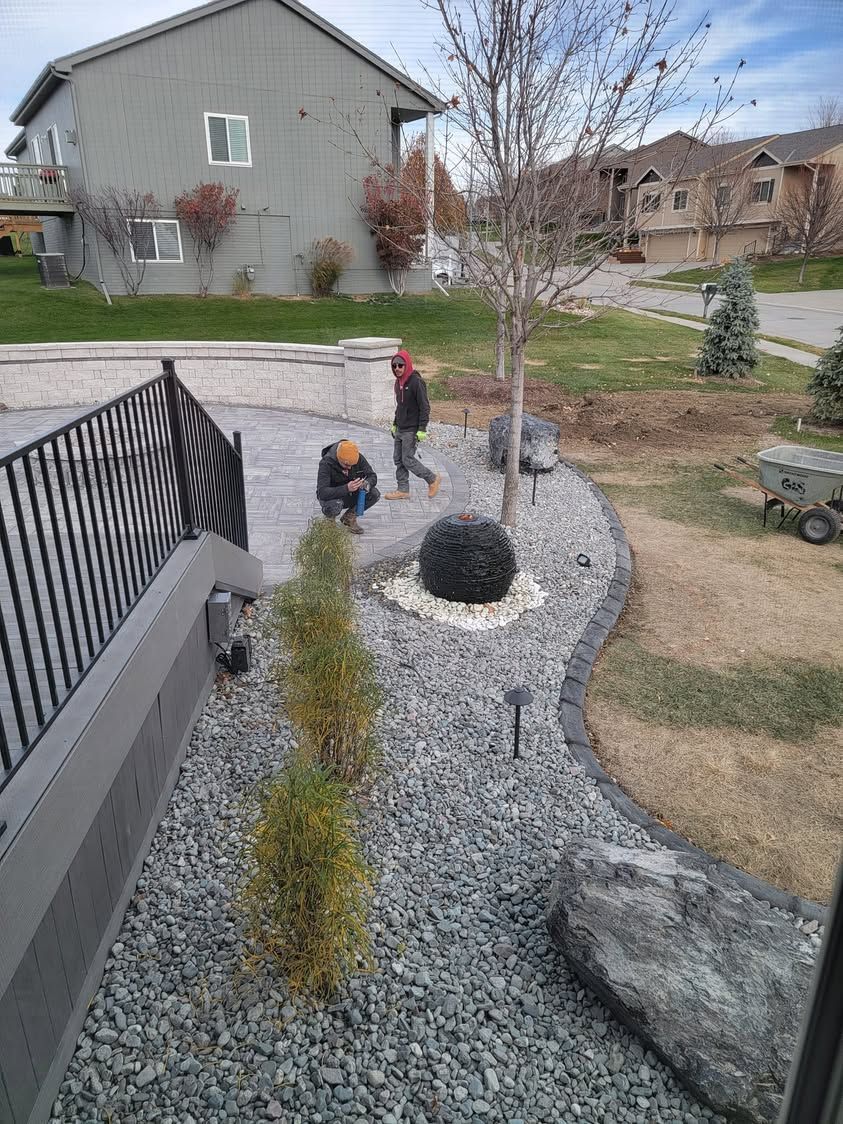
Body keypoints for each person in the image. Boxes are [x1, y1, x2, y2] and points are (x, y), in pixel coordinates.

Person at [385, 349, 441, 501]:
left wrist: (422, 429)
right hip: (400, 428)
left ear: (407, 364)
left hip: (411, 429)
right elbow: (400, 406)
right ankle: (403, 490)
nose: (397, 368)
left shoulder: (416, 382)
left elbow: (425, 407)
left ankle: (432, 479)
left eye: (400, 365)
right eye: (394, 366)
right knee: (398, 459)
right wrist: (395, 424)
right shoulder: (398, 383)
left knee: (407, 459)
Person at [316, 439, 379, 535]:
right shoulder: (326, 463)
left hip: (351, 493)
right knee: (335, 505)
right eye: (346, 465)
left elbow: (372, 476)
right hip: (333, 497)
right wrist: (346, 488)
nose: (349, 468)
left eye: (352, 465)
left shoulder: (357, 457)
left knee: (374, 494)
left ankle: (348, 518)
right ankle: (329, 523)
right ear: (338, 458)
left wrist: (366, 484)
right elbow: (322, 492)